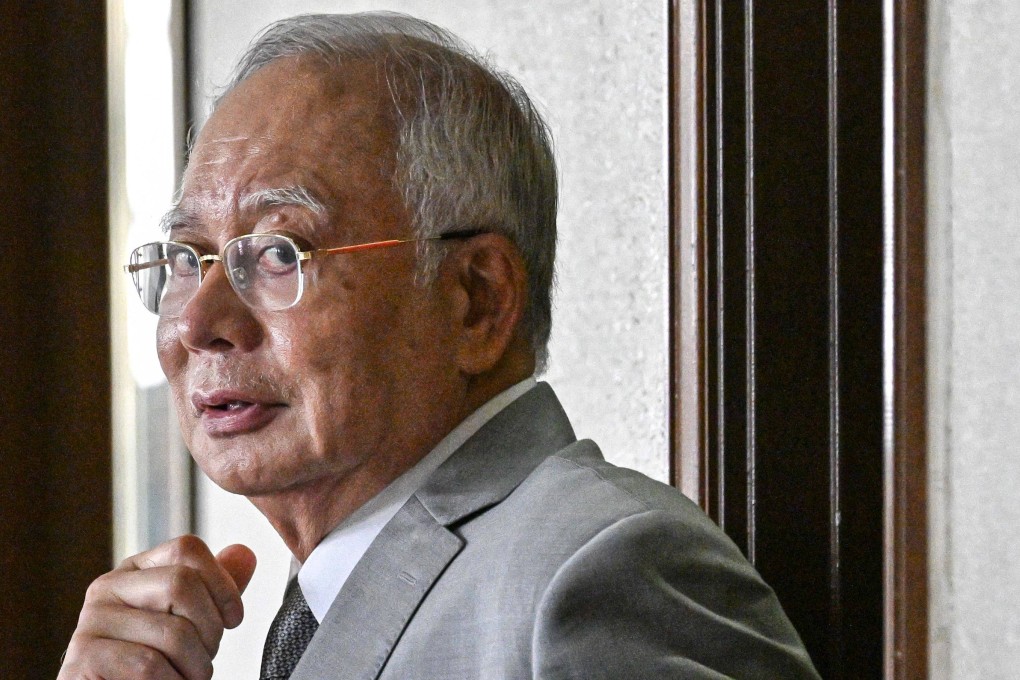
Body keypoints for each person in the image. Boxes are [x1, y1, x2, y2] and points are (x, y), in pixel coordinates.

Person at [59, 12, 819, 680]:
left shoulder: (601, 573)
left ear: (477, 300)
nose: (198, 322)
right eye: (188, 258)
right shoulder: (326, 593)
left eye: (280, 252)